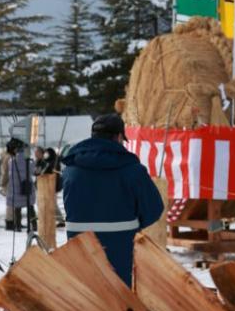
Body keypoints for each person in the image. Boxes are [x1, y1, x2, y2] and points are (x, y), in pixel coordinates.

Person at [60, 112, 164, 286]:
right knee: (120, 302)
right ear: (118, 137)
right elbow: (154, 208)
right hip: (121, 248)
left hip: (79, 248)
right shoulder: (133, 170)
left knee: (85, 297)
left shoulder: (71, 169)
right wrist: (134, 223)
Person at [1, 138, 32, 232]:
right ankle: (10, 222)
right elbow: (5, 172)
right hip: (10, 183)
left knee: (14, 204)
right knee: (11, 204)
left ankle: (14, 222)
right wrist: (3, 183)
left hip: (11, 182)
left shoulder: (10, 157)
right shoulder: (9, 158)